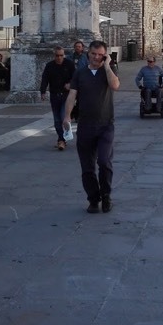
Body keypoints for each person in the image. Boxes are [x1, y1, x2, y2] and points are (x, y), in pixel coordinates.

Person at [63, 40, 120, 214]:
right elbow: (72, 95)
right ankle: (93, 199)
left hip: (105, 125)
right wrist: (66, 116)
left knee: (104, 161)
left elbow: (115, 86)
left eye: (100, 55)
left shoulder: (108, 71)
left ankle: (106, 195)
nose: (96, 57)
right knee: (87, 167)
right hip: (85, 125)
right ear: (89, 54)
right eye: (93, 54)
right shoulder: (80, 73)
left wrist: (108, 66)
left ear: (105, 55)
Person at [40, 47, 75, 150]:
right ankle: (61, 139)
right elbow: (45, 78)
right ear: (54, 55)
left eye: (61, 55)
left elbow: (76, 77)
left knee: (63, 117)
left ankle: (63, 138)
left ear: (63, 55)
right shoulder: (49, 66)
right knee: (56, 120)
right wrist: (43, 91)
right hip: (54, 95)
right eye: (57, 55)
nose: (59, 58)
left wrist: (70, 84)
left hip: (66, 96)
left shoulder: (69, 64)